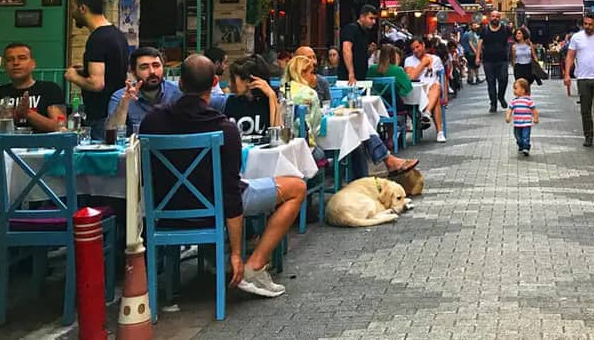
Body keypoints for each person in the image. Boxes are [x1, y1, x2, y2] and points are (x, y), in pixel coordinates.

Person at [140, 54, 305, 298]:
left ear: (180, 84)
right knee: (297, 187)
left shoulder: (151, 121)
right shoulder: (224, 128)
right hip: (214, 204)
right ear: (215, 81)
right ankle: (256, 265)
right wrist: (237, 254)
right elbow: (231, 193)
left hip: (166, 208)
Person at [286, 56, 418, 179]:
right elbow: (316, 127)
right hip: (311, 142)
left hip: (292, 141)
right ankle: (370, 175)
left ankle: (375, 171)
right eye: (311, 72)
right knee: (356, 135)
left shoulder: (284, 91)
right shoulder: (309, 94)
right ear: (301, 73)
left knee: (356, 132)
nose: (314, 74)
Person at [65, 0, 129, 140]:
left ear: (82, 9)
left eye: (73, 8)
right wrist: (85, 70)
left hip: (100, 115)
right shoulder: (117, 34)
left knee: (99, 160)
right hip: (116, 112)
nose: (72, 13)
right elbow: (112, 70)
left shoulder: (97, 39)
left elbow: (96, 84)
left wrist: (73, 76)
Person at [0, 43, 64, 134]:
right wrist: (13, 116)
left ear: (33, 64)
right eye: (10, 59)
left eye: (22, 58)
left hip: (42, 145)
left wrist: (28, 114)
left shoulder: (50, 89)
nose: (16, 63)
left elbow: (60, 126)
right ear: (5, 67)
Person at [564, 12, 594, 151]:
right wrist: (567, 74)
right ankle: (588, 136)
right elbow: (570, 56)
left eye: (590, 24)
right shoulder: (576, 38)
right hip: (583, 77)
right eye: (585, 24)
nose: (587, 27)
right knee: (585, 109)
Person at [223, 55, 279, 137]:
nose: (229, 84)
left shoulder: (268, 101)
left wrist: (272, 96)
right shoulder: (231, 102)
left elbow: (277, 135)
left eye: (233, 79)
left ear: (247, 80)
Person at [404, 38, 446, 143]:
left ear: (423, 45)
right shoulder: (409, 60)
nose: (415, 51)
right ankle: (440, 132)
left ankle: (427, 113)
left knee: (436, 86)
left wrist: (445, 95)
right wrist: (423, 63)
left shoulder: (436, 59)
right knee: (435, 100)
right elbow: (411, 77)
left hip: (433, 89)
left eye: (417, 47)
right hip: (417, 93)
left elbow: (443, 76)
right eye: (413, 49)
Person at [477, 11, 511, 113]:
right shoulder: (485, 30)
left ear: (499, 18)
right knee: (490, 83)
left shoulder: (505, 29)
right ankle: (493, 103)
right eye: (493, 16)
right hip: (488, 61)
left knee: (503, 79)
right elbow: (479, 43)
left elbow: (513, 40)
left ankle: (501, 96)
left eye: (497, 16)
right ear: (489, 18)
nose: (495, 18)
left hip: (503, 60)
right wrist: (477, 57)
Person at [340, 5, 378, 85]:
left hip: (361, 76)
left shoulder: (365, 33)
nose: (374, 22)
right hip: (348, 78)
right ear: (362, 17)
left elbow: (360, 55)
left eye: (375, 19)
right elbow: (346, 50)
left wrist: (369, 52)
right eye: (371, 18)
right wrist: (351, 73)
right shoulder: (352, 28)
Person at [505, 78, 539, 156]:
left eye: (516, 88)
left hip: (526, 123)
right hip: (517, 124)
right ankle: (521, 145)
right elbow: (510, 109)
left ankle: (526, 147)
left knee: (525, 136)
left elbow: (534, 110)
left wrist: (536, 118)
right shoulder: (514, 101)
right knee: (517, 136)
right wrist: (508, 117)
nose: (514, 90)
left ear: (523, 90)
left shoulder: (528, 101)